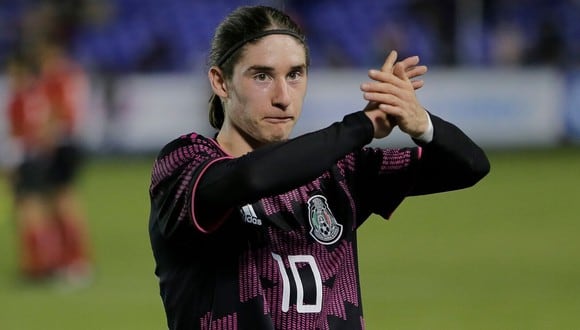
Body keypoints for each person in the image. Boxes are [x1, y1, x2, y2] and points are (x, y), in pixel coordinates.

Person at [148, 5, 490, 330]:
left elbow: (469, 165)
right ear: (221, 82)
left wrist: (422, 124)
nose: (283, 96)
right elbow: (251, 177)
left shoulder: (340, 171)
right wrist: (362, 127)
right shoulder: (184, 164)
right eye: (262, 76)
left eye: (295, 74)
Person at [5, 42, 93, 286]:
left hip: (50, 149)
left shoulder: (50, 82)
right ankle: (62, 261)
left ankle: (57, 263)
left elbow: (54, 119)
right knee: (55, 204)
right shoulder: (67, 76)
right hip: (57, 147)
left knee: (53, 204)